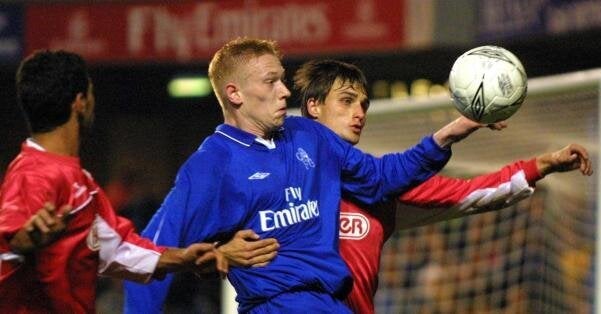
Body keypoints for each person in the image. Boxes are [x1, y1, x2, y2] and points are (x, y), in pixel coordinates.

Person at [124, 37, 492, 313]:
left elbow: (381, 178)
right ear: (234, 94)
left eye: (283, 80)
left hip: (331, 304)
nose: (285, 91)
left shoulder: (308, 135)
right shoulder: (212, 165)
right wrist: (218, 252)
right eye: (271, 82)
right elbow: (152, 252)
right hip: (276, 305)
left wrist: (449, 134)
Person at [292, 59, 593, 313]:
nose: (360, 112)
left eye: (363, 104)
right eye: (347, 101)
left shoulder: (382, 186)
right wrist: (240, 249)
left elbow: (470, 194)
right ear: (313, 106)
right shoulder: (277, 168)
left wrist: (541, 165)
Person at [0, 50, 278, 313]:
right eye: (92, 93)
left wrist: (190, 257)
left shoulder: (75, 179)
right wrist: (21, 242)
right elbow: (12, 239)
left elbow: (119, 250)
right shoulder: (35, 174)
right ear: (80, 102)